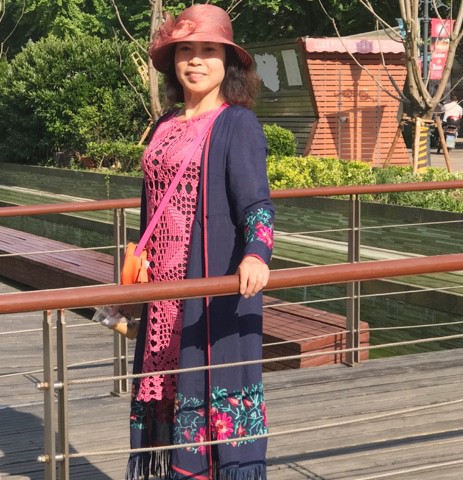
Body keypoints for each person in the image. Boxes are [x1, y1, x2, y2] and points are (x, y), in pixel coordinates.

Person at [125, 4, 274, 480]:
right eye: (185, 50)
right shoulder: (165, 123)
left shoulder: (237, 124)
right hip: (163, 293)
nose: (195, 60)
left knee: (209, 393)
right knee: (170, 396)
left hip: (207, 289)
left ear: (227, 62)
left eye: (209, 50)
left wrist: (256, 254)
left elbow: (257, 202)